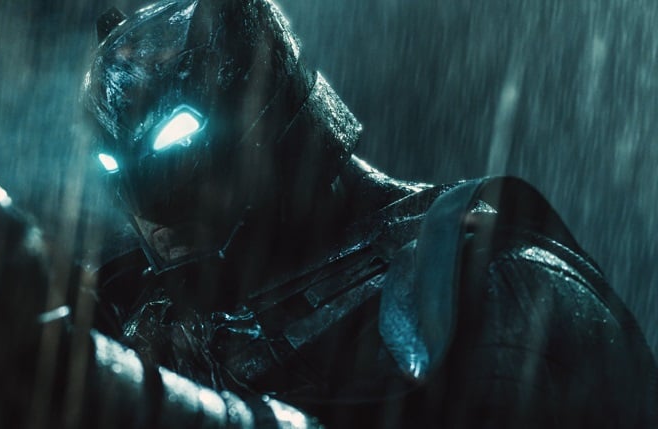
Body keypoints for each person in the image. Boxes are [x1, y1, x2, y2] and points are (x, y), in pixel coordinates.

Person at [77, 0, 658, 427]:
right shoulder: (130, 312)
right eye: (119, 168)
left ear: (274, 126)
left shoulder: (486, 284)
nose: (156, 216)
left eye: (178, 163)